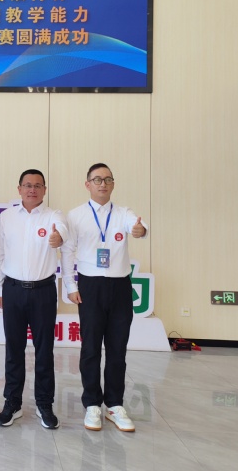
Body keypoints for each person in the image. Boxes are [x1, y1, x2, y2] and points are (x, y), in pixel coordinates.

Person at [61, 163, 148, 432]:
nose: (103, 184)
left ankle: (114, 404)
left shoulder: (123, 213)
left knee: (117, 348)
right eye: (97, 179)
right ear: (87, 184)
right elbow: (67, 251)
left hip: (120, 286)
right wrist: (70, 285)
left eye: (108, 179)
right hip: (90, 286)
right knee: (90, 348)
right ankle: (91, 404)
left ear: (113, 184)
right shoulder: (76, 215)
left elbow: (139, 225)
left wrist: (141, 230)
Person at [0, 169, 74, 429]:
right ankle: (12, 402)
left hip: (43, 292)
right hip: (13, 290)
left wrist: (59, 237)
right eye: (27, 185)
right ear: (19, 189)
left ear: (44, 190)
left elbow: (63, 231)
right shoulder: (7, 217)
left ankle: (44, 404)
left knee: (44, 350)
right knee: (13, 350)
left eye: (38, 185)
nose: (32, 190)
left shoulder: (54, 216)